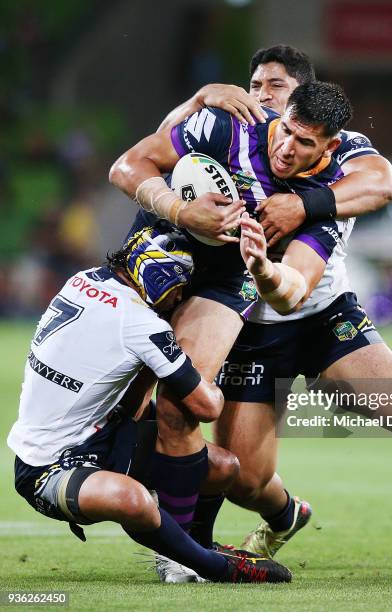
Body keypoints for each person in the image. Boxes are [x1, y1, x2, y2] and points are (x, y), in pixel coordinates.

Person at [152, 47, 392, 581]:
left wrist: (304, 205)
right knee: (245, 478)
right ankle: (283, 515)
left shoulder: (341, 165)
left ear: (301, 97)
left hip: (323, 319)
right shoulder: (232, 132)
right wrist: (198, 99)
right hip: (252, 331)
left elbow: (380, 186)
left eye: (274, 86)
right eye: (254, 84)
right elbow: (158, 151)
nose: (259, 96)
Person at [7, 223, 292, 584]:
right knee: (134, 500)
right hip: (47, 466)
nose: (178, 298)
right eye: (178, 287)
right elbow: (208, 407)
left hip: (104, 433)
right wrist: (214, 376)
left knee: (223, 467)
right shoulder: (141, 325)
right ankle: (215, 566)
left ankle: (195, 545)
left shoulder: (83, 279)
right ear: (161, 277)